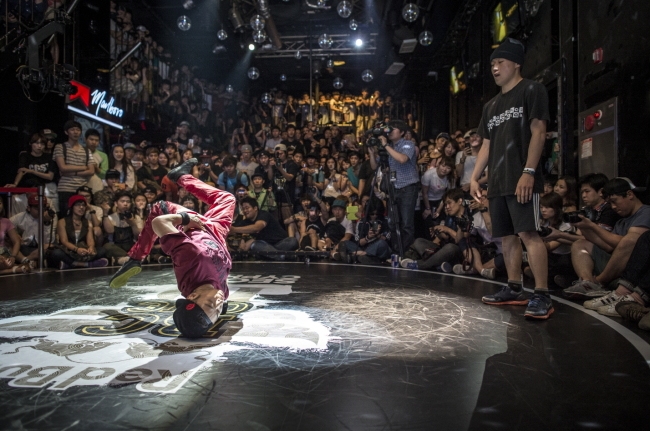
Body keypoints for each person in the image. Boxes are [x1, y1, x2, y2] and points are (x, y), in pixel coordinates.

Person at [470, 38, 553, 319]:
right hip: (498, 180)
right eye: (492, 64)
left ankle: (542, 294)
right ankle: (514, 288)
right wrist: (474, 177)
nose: (495, 68)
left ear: (516, 63)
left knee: (529, 233)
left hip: (522, 176)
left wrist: (529, 171)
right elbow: (487, 145)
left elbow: (539, 132)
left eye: (500, 62)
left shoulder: (532, 89)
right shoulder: (491, 106)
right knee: (507, 236)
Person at [110, 158, 235, 338]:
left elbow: (158, 223)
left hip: (197, 227)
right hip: (216, 233)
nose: (217, 303)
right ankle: (180, 176)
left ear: (191, 297)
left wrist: (184, 219)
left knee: (160, 208)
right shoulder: (218, 293)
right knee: (227, 198)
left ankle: (136, 258)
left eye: (210, 306)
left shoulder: (191, 259)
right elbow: (212, 304)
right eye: (217, 312)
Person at [563, 177, 650, 301]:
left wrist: (592, 226)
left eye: (615, 201)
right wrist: (585, 227)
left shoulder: (646, 212)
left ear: (629, 194)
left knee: (629, 240)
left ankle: (598, 282)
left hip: (635, 268)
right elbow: (609, 246)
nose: (613, 207)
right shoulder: (621, 221)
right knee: (580, 244)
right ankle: (588, 283)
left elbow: (628, 244)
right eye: (610, 204)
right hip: (617, 264)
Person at [371, 119, 420, 252]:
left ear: (402, 132)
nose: (390, 132)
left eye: (393, 129)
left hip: (408, 188)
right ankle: (396, 252)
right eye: (389, 129)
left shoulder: (408, 144)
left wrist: (386, 145)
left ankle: (408, 252)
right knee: (392, 223)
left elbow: (402, 159)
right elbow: (375, 166)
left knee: (406, 224)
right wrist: (371, 151)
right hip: (393, 188)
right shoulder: (388, 147)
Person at [48, 195, 108, 270]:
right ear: (72, 207)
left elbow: (90, 240)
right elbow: (64, 241)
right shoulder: (62, 222)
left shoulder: (88, 222)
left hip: (83, 249)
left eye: (83, 205)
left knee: (102, 250)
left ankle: (70, 264)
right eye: (78, 205)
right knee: (56, 253)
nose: (81, 207)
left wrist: (91, 247)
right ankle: (85, 264)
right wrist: (76, 249)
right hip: (69, 250)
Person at [4, 133, 56, 216]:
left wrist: (31, 171)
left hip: (42, 188)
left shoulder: (49, 157)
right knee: (19, 207)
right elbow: (21, 171)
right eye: (36, 143)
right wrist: (15, 184)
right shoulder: (25, 155)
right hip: (27, 188)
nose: (39, 146)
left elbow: (50, 176)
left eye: (42, 143)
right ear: (31, 144)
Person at [53, 120, 96, 217]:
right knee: (66, 217)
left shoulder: (86, 150)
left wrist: (73, 173)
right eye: (72, 129)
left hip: (82, 189)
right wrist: (83, 167)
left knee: (81, 217)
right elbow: (63, 167)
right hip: (65, 188)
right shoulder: (60, 147)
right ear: (66, 132)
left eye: (78, 130)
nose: (75, 132)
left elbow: (91, 171)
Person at [230, 196, 298, 257]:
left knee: (292, 241)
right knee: (255, 245)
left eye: (247, 208)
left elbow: (257, 227)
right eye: (243, 209)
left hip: (280, 243)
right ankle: (281, 256)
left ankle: (275, 256)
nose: (245, 211)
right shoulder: (245, 222)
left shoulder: (264, 214)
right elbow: (231, 231)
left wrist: (234, 229)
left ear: (255, 208)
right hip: (265, 246)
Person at [10, 194, 57, 265]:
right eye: (37, 208)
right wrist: (15, 235)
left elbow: (50, 240)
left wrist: (46, 222)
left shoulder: (50, 217)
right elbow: (6, 229)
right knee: (19, 249)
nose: (40, 210)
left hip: (44, 246)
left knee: (54, 251)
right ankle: (29, 260)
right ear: (29, 208)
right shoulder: (18, 218)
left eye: (43, 207)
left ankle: (31, 261)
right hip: (25, 246)